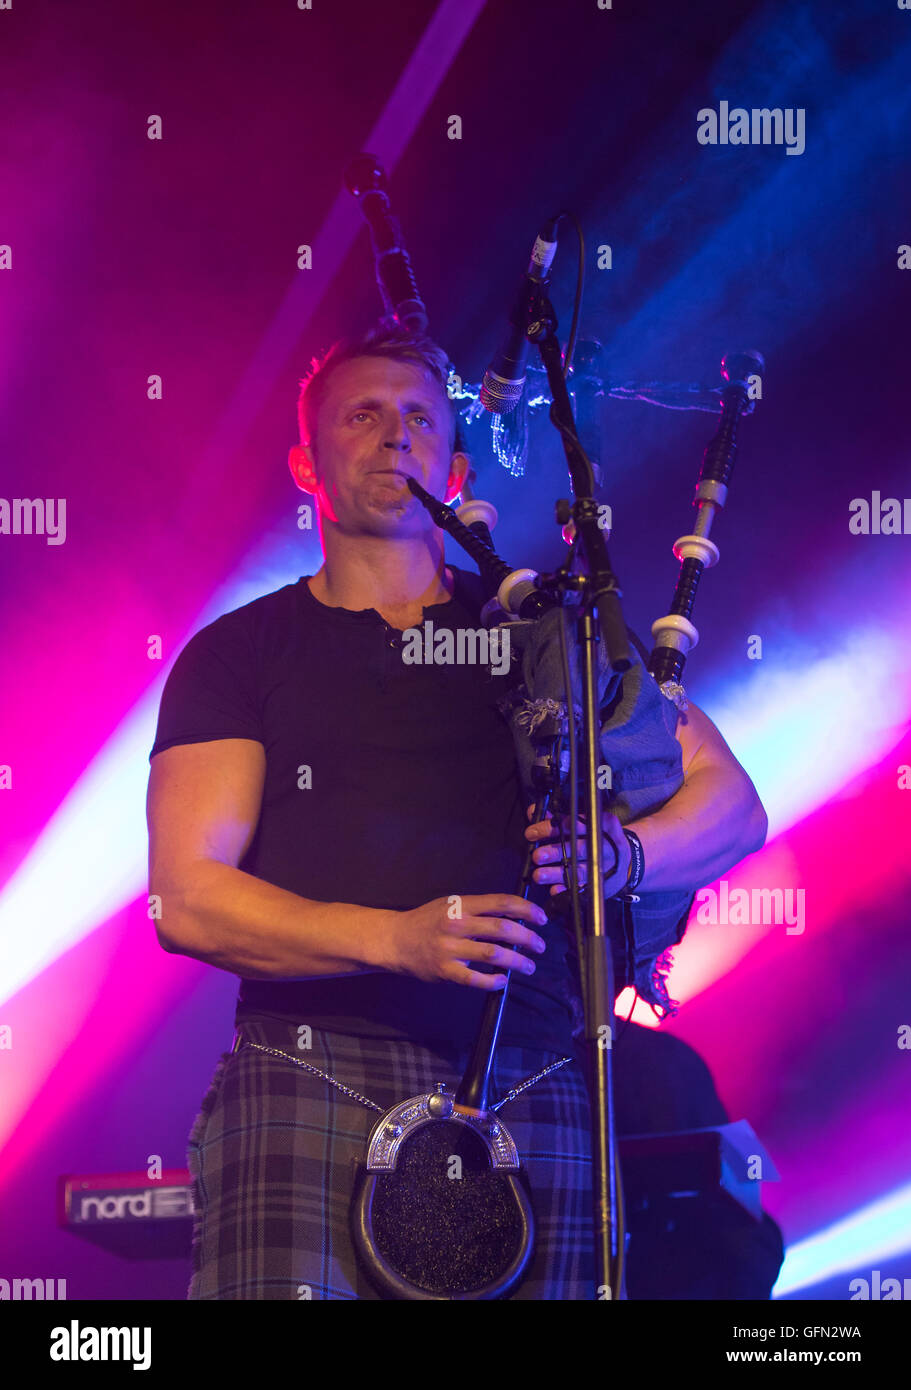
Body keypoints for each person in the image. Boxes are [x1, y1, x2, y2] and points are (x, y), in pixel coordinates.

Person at [146, 327, 768, 1300]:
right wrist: (395, 939)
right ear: (307, 464)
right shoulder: (239, 653)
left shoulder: (541, 631)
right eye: (363, 415)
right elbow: (187, 899)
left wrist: (624, 857)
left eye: (420, 418)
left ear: (458, 463)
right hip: (309, 1062)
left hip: (529, 1059)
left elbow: (731, 806)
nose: (395, 435)